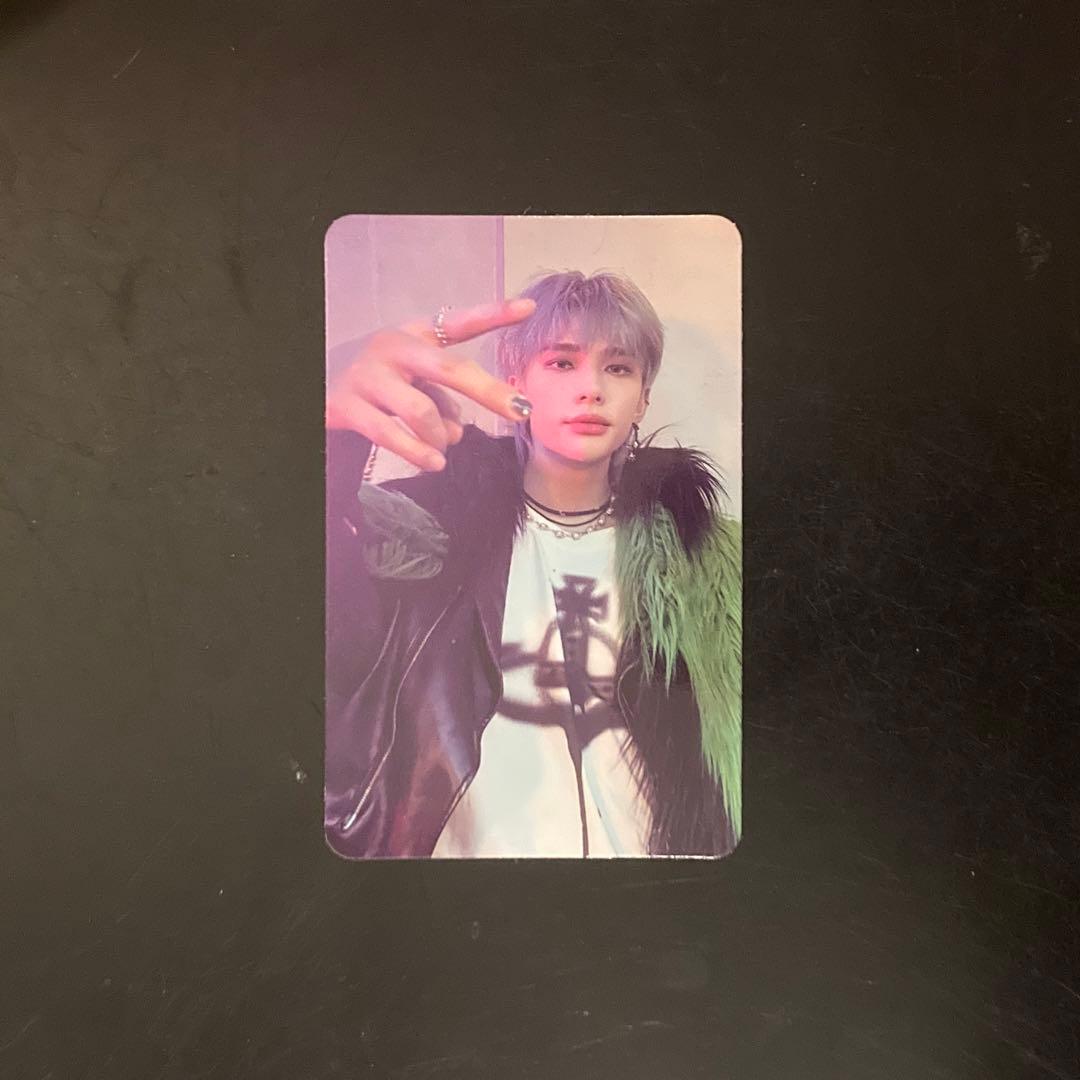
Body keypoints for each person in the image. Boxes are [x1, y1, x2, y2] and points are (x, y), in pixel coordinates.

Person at [325, 271, 741, 858]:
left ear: (644, 397)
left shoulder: (707, 562)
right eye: (562, 362)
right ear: (515, 377)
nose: (591, 389)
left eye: (619, 368)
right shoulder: (419, 538)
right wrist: (330, 439)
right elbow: (315, 621)